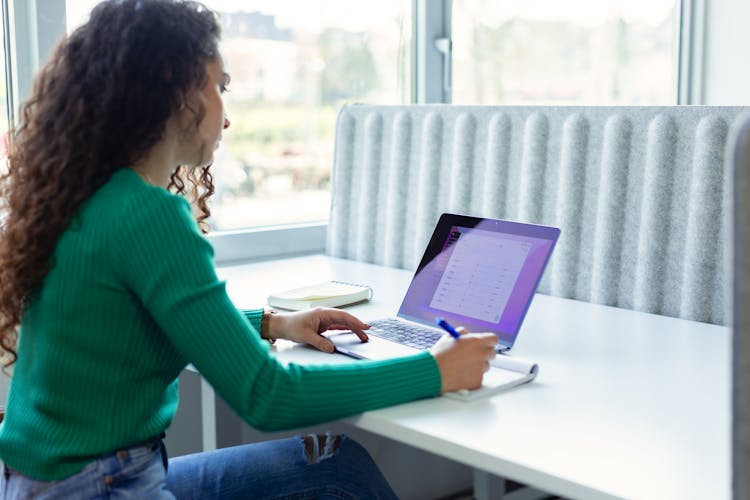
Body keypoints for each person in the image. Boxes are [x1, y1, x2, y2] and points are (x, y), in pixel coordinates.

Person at [0, 1, 498, 498]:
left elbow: (142, 320)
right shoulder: (148, 216)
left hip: (42, 484)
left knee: (337, 465)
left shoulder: (83, 197)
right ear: (174, 88)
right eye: (219, 86)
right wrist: (437, 370)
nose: (227, 114)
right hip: (105, 487)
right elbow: (267, 396)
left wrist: (272, 322)